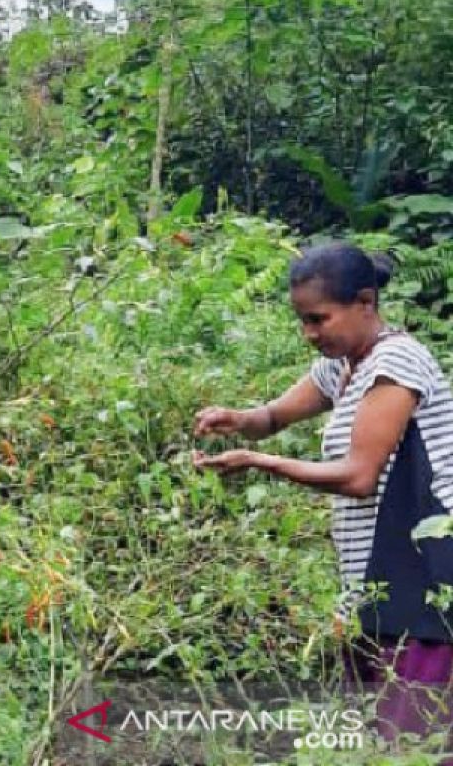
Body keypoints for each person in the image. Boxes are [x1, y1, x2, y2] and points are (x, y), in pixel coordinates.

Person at [194, 241, 453, 759]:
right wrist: (238, 420)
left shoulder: (396, 361)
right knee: (383, 730)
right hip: (375, 576)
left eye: (319, 319)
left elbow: (359, 476)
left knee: (416, 738)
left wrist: (263, 463)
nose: (310, 334)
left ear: (364, 302)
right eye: (303, 321)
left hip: (424, 573)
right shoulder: (344, 366)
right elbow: (272, 417)